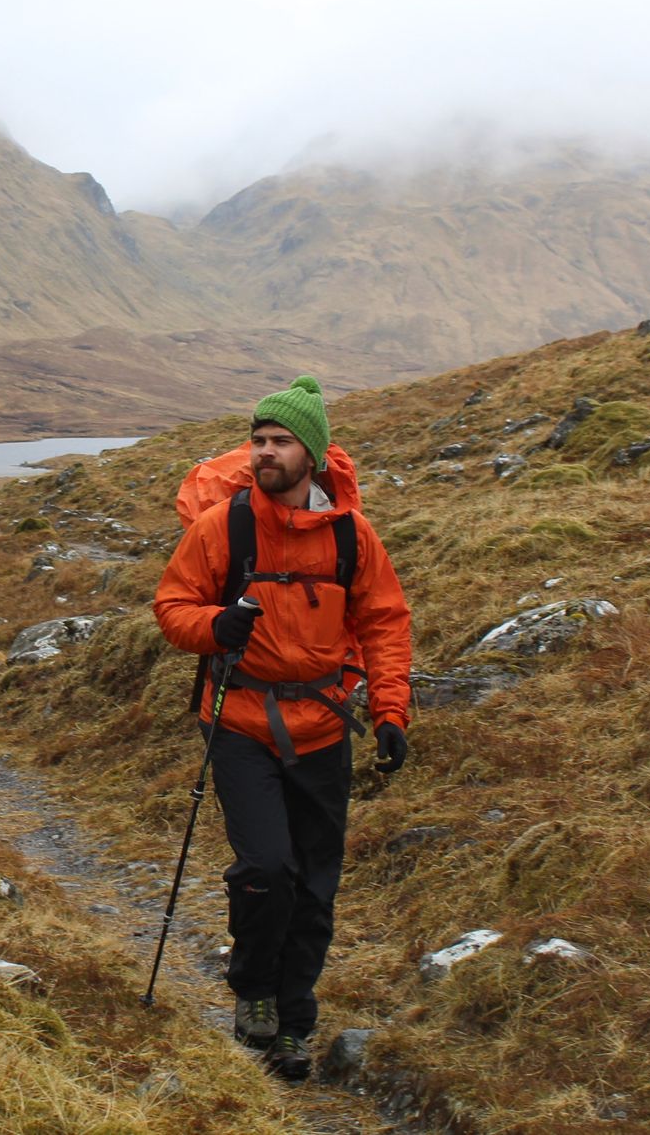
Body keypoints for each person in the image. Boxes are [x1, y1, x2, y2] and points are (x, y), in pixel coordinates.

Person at [153, 375, 413, 1080]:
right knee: (268, 866)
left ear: (314, 456)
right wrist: (215, 626)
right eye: (258, 440)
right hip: (239, 721)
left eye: (280, 441)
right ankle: (254, 994)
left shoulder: (353, 539)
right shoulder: (224, 527)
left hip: (324, 729)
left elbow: (384, 623)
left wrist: (389, 710)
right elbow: (172, 606)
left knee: (314, 885)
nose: (264, 452)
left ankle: (295, 1021)